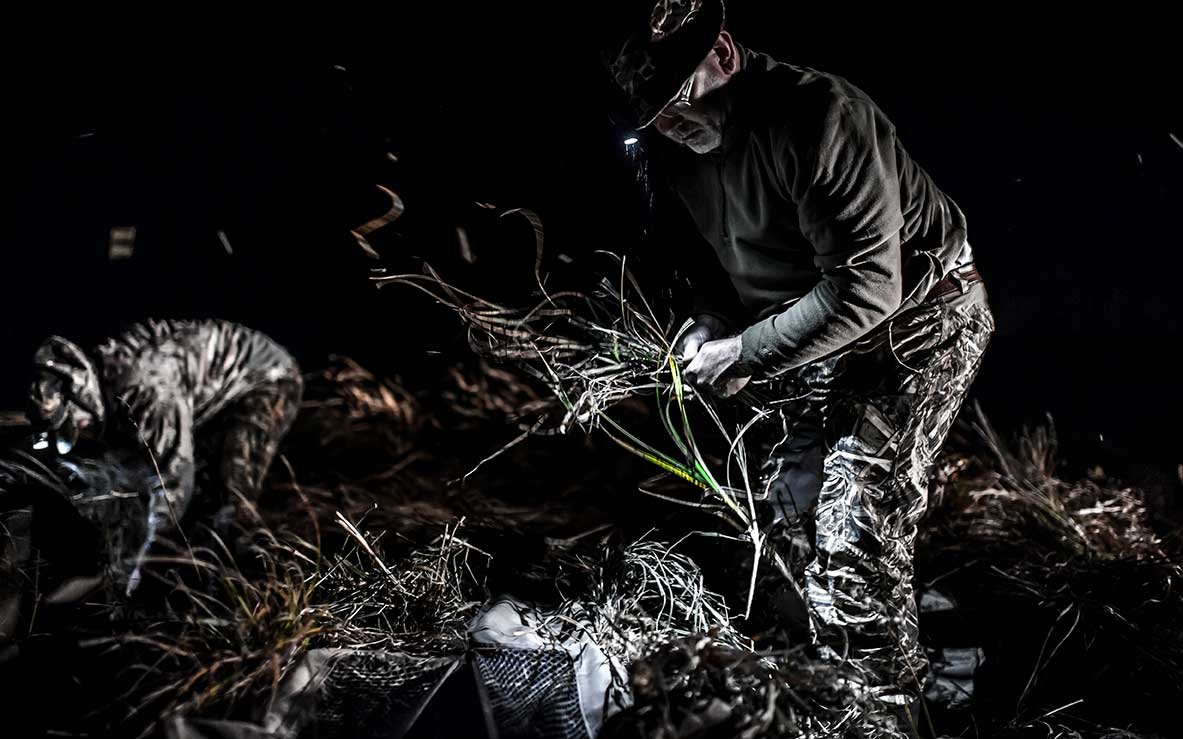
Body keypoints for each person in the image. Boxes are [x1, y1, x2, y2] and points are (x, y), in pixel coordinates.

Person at [603, 0, 995, 726]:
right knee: (786, 512)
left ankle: (880, 714)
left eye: (677, 98)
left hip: (917, 318)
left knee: (854, 511)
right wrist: (713, 320)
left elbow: (868, 285)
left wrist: (746, 349)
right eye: (652, 114)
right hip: (811, 327)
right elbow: (711, 268)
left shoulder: (819, 119)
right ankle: (808, 690)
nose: (670, 124)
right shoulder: (673, 151)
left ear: (722, 51)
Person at [28, 319, 302, 594]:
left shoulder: (143, 392)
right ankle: (205, 584)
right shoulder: (111, 383)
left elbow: (174, 479)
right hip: (214, 399)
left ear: (80, 398)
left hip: (266, 379)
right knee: (200, 502)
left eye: (74, 425)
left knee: (230, 497)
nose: (81, 432)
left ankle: (274, 584)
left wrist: (143, 563)